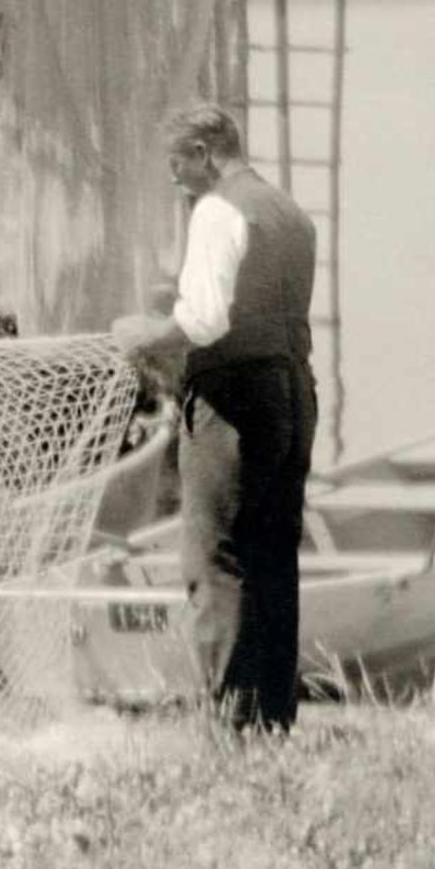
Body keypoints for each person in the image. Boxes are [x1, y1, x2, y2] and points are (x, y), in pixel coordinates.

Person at [112, 101, 317, 734]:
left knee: (214, 557)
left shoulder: (216, 210)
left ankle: (231, 724)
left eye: (177, 164)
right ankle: (273, 718)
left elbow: (205, 319)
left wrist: (144, 335)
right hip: (292, 389)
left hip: (233, 395)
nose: (174, 178)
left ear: (204, 152)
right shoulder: (292, 214)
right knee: (274, 550)